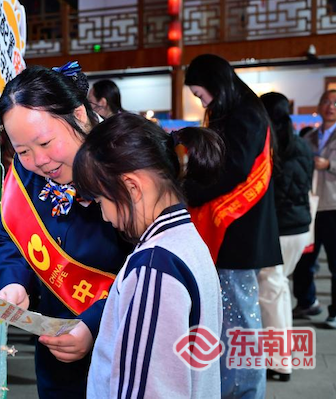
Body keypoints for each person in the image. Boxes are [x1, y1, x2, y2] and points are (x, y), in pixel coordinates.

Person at [0, 63, 132, 398]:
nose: (38, 160)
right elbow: (8, 234)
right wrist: (14, 281)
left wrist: (95, 323)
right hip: (55, 346)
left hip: (123, 345)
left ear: (79, 115)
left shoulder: (128, 163)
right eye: (23, 151)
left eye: (45, 142)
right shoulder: (27, 173)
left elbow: (150, 267)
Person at [71, 113, 223, 398]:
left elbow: (147, 388)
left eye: (101, 200)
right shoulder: (186, 241)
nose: (104, 216)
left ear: (132, 187)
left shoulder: (155, 265)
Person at [184, 54, 282, 399]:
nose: (202, 103)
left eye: (201, 95)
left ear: (216, 85)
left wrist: (190, 192)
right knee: (231, 317)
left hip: (239, 229)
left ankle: (245, 391)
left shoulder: (245, 114)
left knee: (239, 317)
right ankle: (233, 388)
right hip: (236, 229)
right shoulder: (238, 111)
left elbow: (234, 170)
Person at [258, 92, 314, 381]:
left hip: (278, 230)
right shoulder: (302, 144)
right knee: (279, 289)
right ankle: (282, 356)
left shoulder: (271, 145)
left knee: (272, 293)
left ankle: (280, 362)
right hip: (300, 228)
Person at [293, 89, 336, 329]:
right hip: (310, 207)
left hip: (335, 206)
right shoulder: (309, 136)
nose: (330, 106)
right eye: (326, 102)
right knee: (304, 260)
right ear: (320, 106)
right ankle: (307, 302)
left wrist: (330, 164)